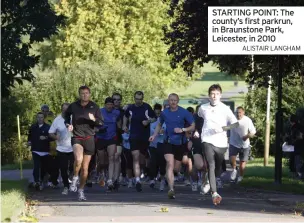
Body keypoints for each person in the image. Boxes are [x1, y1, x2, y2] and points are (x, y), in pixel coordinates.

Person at [197, 84, 238, 205]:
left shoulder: (225, 108)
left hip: (221, 141)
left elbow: (235, 124)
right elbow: (198, 118)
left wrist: (223, 128)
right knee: (211, 164)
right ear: (209, 96)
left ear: (220, 95)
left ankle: (209, 181)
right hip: (207, 139)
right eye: (212, 94)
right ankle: (214, 193)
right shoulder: (203, 108)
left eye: (216, 94)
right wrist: (196, 130)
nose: (214, 96)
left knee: (218, 167)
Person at [149, 93, 195, 199]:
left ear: (178, 101)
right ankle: (171, 189)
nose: (173, 102)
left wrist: (183, 130)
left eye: (175, 100)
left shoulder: (184, 112)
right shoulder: (164, 113)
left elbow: (193, 126)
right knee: (169, 164)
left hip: (180, 143)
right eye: (171, 100)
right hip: (168, 142)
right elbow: (159, 124)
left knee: (176, 168)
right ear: (168, 101)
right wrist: (154, 135)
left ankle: (172, 177)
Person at [64, 86, 103, 201]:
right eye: (82, 93)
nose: (84, 95)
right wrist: (68, 124)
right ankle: (75, 177)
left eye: (86, 93)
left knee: (85, 168)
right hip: (77, 136)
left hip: (89, 138)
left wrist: (94, 120)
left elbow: (100, 123)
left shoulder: (94, 107)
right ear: (79, 94)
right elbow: (66, 116)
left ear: (89, 94)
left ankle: (81, 190)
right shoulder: (73, 106)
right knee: (78, 159)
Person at [122, 91, 156, 192]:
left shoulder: (147, 107)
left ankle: (142, 173)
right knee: (135, 157)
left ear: (143, 98)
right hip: (134, 136)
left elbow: (154, 118)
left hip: (144, 136)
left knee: (142, 160)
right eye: (136, 99)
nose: (138, 101)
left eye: (140, 99)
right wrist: (124, 125)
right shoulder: (130, 108)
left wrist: (148, 121)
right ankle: (137, 180)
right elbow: (125, 116)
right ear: (134, 98)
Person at [95, 97, 121, 190]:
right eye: (108, 104)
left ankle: (110, 180)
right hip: (100, 137)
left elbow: (119, 124)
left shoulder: (116, 113)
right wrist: (97, 128)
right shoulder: (99, 111)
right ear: (105, 105)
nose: (110, 106)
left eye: (111, 104)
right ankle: (102, 173)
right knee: (102, 162)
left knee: (112, 158)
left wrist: (123, 128)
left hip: (111, 137)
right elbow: (94, 123)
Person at [49, 103, 74, 195]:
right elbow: (51, 132)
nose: (65, 111)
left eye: (67, 109)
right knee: (63, 169)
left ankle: (72, 178)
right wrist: (56, 137)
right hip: (61, 148)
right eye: (64, 109)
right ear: (61, 109)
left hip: (73, 147)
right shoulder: (57, 120)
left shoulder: (73, 118)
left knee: (73, 166)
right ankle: (66, 186)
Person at [229, 106, 256, 183]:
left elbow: (253, 131)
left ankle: (240, 176)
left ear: (243, 113)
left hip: (245, 145)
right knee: (232, 159)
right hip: (233, 143)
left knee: (242, 163)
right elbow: (226, 128)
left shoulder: (247, 120)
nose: (238, 114)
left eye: (240, 113)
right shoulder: (232, 120)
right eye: (237, 113)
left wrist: (247, 136)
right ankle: (234, 169)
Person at [28, 112, 51, 191]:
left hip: (45, 151)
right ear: (36, 118)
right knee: (36, 166)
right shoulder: (33, 127)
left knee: (44, 168)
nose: (40, 119)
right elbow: (29, 136)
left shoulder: (48, 127)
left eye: (41, 117)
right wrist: (29, 142)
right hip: (35, 150)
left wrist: (45, 137)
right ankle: (37, 181)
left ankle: (42, 180)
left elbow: (52, 138)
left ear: (43, 118)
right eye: (38, 117)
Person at [148, 103, 167, 191]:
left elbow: (164, 130)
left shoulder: (164, 120)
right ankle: (152, 179)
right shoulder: (151, 120)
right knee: (153, 162)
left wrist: (161, 131)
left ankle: (162, 179)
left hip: (162, 143)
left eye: (159, 113)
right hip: (152, 144)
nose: (157, 115)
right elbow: (151, 130)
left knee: (162, 162)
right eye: (156, 113)